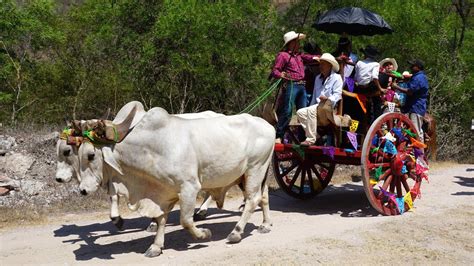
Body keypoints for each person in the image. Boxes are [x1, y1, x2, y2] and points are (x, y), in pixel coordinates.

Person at [272, 31, 318, 144]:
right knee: (287, 111)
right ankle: (278, 135)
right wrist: (280, 74)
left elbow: (309, 58)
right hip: (292, 85)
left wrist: (318, 58)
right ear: (291, 43)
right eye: (297, 42)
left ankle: (304, 138)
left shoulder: (299, 56)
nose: (299, 44)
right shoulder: (283, 55)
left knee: (303, 112)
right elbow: (275, 70)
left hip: (302, 86)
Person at [296, 53, 342, 145]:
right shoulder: (318, 78)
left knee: (312, 110)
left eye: (323, 64)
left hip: (329, 107)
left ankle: (311, 139)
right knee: (300, 113)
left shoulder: (337, 78)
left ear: (329, 65)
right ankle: (316, 135)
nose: (320, 66)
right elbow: (314, 96)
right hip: (317, 107)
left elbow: (338, 95)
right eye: (320, 64)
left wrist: (328, 98)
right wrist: (310, 107)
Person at [392, 59, 429, 141]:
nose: (411, 67)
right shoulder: (417, 77)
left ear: (418, 67)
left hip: (416, 107)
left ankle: (420, 153)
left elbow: (410, 92)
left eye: (413, 66)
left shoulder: (419, 78)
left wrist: (396, 87)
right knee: (410, 131)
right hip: (412, 107)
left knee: (416, 131)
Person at [354, 45, 384, 124]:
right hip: (369, 88)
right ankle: (376, 120)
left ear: (365, 54)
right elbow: (374, 77)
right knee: (377, 102)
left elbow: (356, 77)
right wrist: (380, 89)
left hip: (359, 88)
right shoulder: (376, 64)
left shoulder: (359, 63)